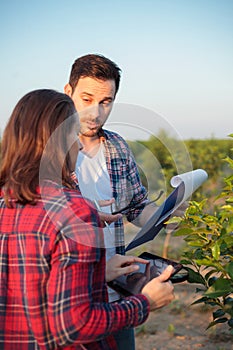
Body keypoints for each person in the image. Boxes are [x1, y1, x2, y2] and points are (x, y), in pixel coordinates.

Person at [0, 89, 175, 349]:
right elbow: (74, 326)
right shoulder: (75, 212)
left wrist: (96, 274)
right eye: (72, 134)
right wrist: (145, 302)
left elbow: (28, 283)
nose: (79, 145)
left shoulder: (6, 201)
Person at [64, 54, 165, 349]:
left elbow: (135, 206)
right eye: (86, 98)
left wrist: (165, 213)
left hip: (115, 294)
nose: (95, 112)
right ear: (68, 93)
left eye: (106, 101)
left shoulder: (118, 146)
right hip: (71, 296)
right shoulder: (47, 150)